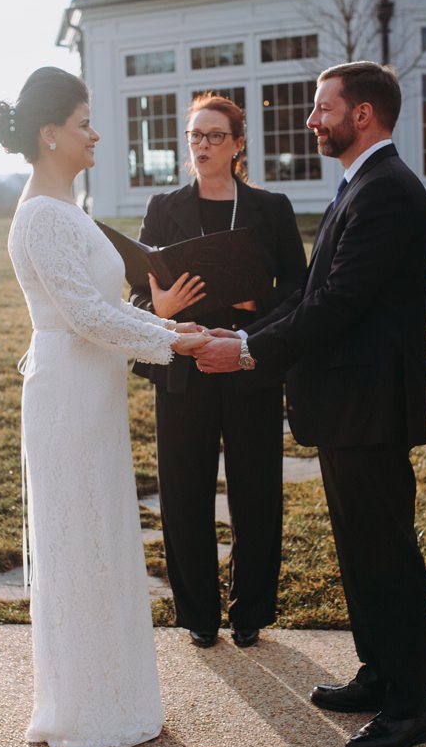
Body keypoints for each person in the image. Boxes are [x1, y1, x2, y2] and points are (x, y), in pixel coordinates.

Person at [196, 61, 426, 747]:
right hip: (345, 406)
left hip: (369, 406)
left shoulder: (387, 192)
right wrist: (241, 336)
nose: (311, 119)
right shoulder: (360, 185)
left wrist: (244, 355)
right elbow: (309, 296)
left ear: (362, 114)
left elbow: (335, 307)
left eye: (322, 108)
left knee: (386, 554)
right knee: (360, 551)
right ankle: (379, 672)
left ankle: (410, 706)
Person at [0, 66, 209, 747]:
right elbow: (84, 316)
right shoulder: (40, 216)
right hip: (67, 396)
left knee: (104, 532)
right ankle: (84, 708)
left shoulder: (66, 212)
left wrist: (162, 324)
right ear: (50, 134)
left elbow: (100, 310)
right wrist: (175, 342)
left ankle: (114, 693)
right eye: (84, 123)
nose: (95, 135)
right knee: (80, 539)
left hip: (92, 390)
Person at [128, 94, 307, 650]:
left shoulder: (270, 208)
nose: (202, 146)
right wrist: (162, 309)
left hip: (249, 364)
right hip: (184, 368)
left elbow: (299, 291)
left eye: (214, 136)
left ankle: (251, 610)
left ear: (237, 143)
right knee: (183, 492)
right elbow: (138, 293)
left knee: (256, 491)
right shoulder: (163, 207)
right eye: (194, 136)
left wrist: (256, 316)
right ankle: (199, 614)